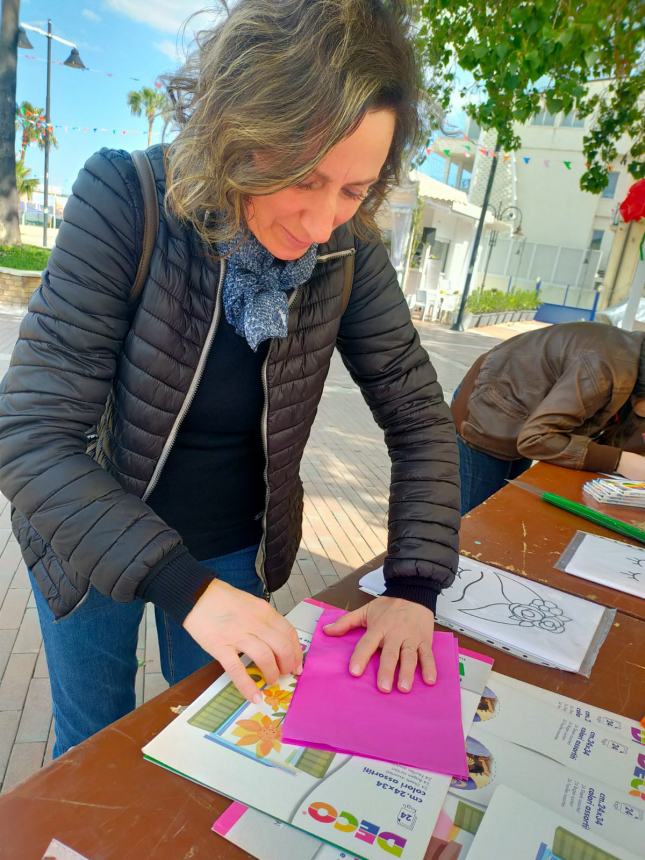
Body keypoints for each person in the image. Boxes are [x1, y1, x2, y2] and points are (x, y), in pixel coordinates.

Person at [0, 0, 460, 757]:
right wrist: (182, 589)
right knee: (93, 747)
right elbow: (29, 437)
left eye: (353, 191)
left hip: (232, 548)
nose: (319, 224)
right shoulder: (126, 199)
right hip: (87, 533)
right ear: (244, 132)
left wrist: (413, 589)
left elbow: (417, 417)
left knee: (219, 754)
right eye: (304, 178)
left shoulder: (347, 253)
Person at [452, 321, 645, 514]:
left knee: (503, 508)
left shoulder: (635, 363)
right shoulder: (602, 370)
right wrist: (620, 461)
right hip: (490, 409)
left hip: (525, 418)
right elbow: (536, 439)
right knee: (477, 516)